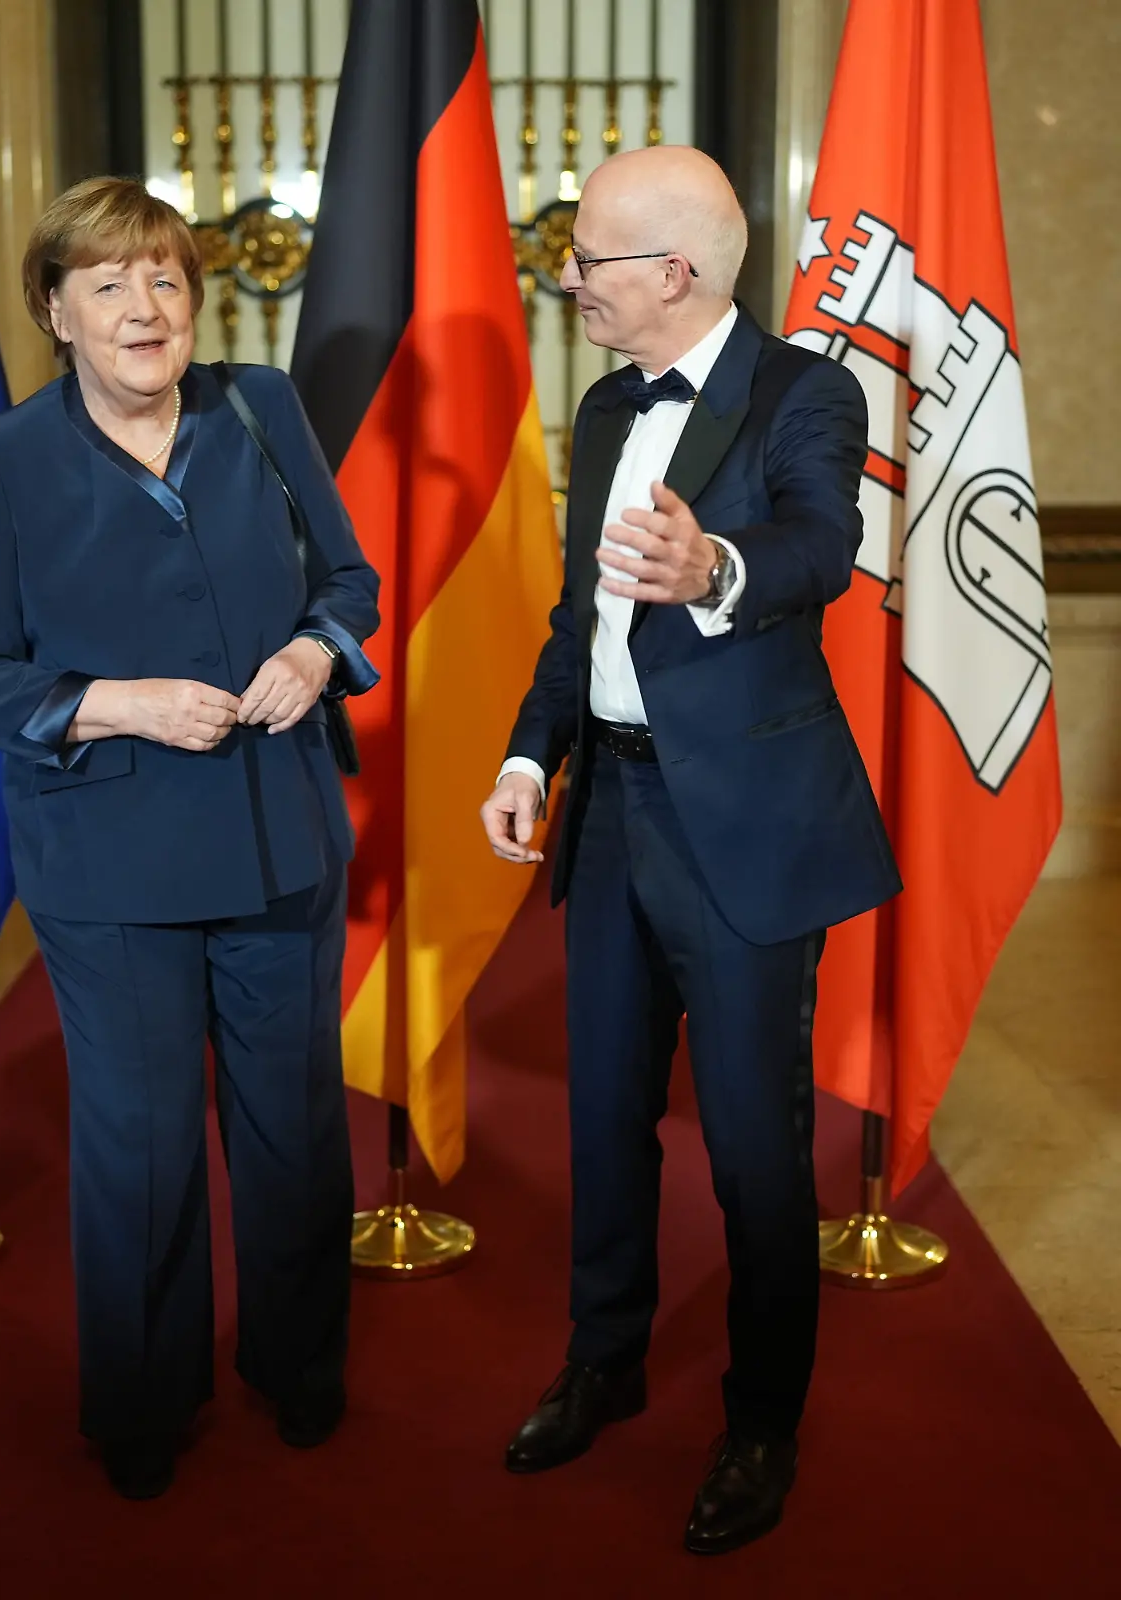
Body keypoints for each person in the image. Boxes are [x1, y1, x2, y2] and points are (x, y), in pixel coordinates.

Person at [0, 177, 380, 1501]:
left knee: (293, 1128)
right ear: (58, 312)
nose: (144, 307)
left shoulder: (262, 406)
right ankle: (140, 1402)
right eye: (110, 284)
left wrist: (313, 649)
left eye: (166, 280)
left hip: (278, 839)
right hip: (108, 863)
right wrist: (110, 704)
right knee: (140, 1145)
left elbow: (348, 580)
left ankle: (297, 1368)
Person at [480, 146, 901, 1557]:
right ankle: (603, 1362)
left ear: (672, 273)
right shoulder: (602, 407)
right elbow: (576, 621)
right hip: (613, 817)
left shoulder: (807, 391)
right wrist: (534, 752)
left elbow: (818, 544)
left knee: (752, 1152)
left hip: (746, 829)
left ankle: (761, 1420)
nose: (567, 274)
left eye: (586, 253)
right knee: (602, 1119)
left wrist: (712, 566)